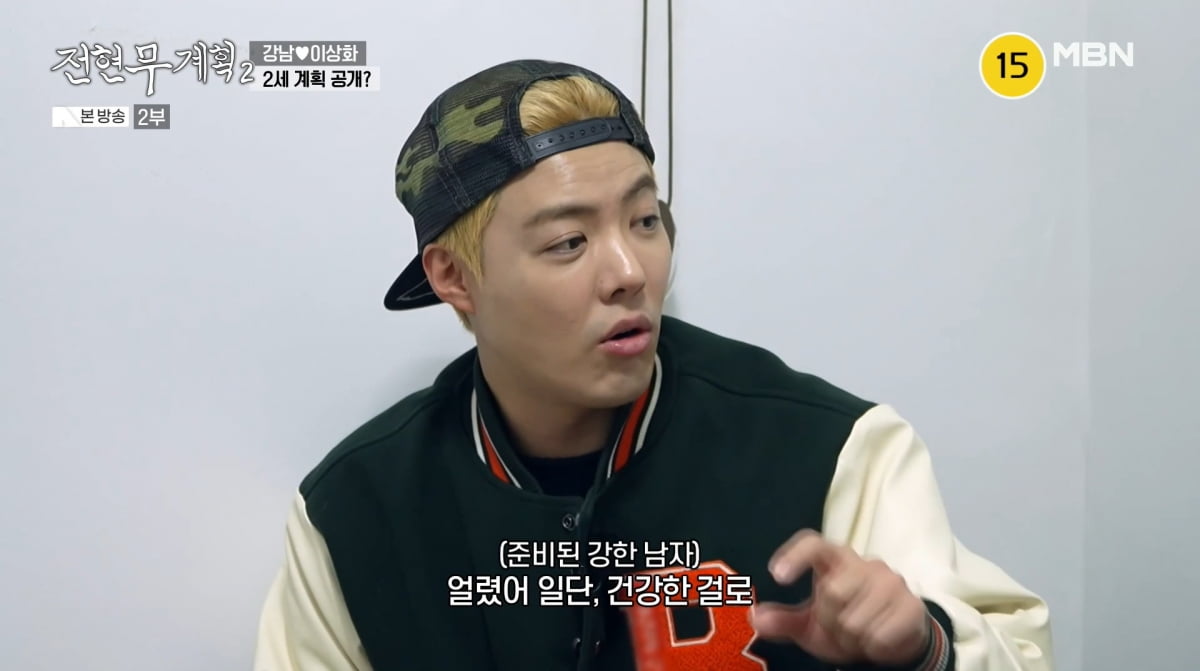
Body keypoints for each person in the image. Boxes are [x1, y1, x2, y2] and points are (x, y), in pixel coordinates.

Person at [253, 59, 1054, 671]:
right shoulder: (355, 512)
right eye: (569, 241)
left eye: (644, 220)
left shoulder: (831, 450)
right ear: (454, 277)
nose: (630, 271)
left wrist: (924, 647)